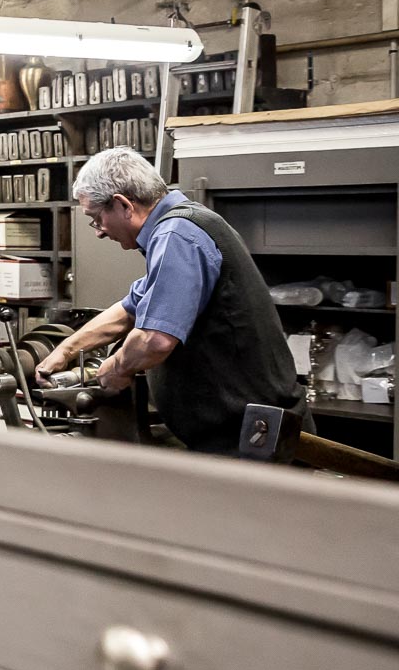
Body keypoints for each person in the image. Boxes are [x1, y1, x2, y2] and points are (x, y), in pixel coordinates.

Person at [35, 146, 303, 454]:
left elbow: (154, 340)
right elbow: (129, 311)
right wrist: (66, 351)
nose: (98, 232)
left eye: (96, 219)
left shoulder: (177, 235)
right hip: (235, 430)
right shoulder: (182, 226)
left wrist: (115, 370)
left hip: (251, 437)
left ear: (123, 205)